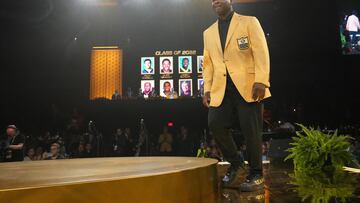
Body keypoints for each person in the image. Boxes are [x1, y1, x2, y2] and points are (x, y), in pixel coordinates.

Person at [203, 0, 271, 191]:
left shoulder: (249, 22)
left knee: (251, 131)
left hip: (248, 86)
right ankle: (237, 163)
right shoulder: (208, 33)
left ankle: (256, 174)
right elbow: (208, 64)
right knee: (215, 123)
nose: (216, 1)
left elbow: (261, 52)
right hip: (221, 88)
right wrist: (207, 88)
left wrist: (261, 80)